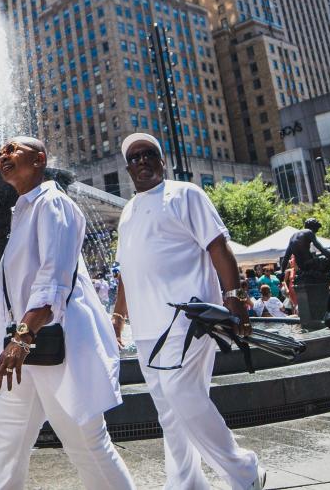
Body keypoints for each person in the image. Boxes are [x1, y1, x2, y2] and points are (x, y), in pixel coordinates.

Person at [111, 133, 263, 490]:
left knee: (183, 395)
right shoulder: (128, 211)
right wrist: (118, 318)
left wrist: (234, 300)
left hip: (189, 319)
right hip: (148, 329)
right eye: (134, 158)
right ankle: (186, 483)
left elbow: (218, 246)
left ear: (162, 160)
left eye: (149, 154)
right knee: (169, 410)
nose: (142, 161)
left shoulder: (185, 193)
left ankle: (244, 472)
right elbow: (125, 271)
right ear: (128, 168)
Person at [0, 136, 134, 490]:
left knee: (87, 446)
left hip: (54, 345)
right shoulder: (24, 210)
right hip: (26, 349)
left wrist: (22, 338)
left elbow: (54, 279)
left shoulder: (53, 203)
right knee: (6, 441)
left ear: (39, 159)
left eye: (12, 149)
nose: (3, 156)